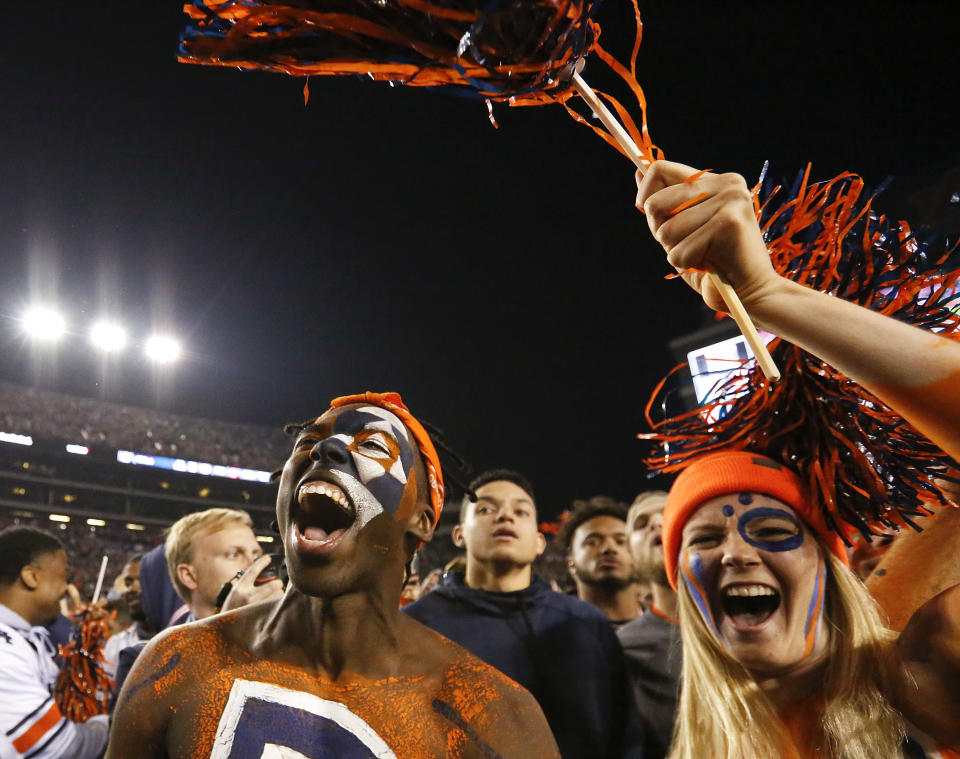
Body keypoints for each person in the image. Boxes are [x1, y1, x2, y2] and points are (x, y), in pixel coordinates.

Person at [108, 392, 558, 759]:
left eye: (374, 446)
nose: (328, 448)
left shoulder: (492, 716)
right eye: (308, 443)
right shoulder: (176, 665)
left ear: (423, 520)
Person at [404, 468, 644, 759]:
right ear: (459, 535)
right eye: (486, 509)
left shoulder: (586, 624)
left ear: (539, 542)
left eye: (521, 511)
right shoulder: (414, 626)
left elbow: (623, 739)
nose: (506, 516)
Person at [0, 527, 109, 758]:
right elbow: (61, 748)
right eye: (63, 576)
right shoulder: (4, 651)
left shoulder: (26, 637)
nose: (68, 589)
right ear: (31, 576)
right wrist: (107, 725)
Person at [617, 491, 681, 759]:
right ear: (630, 552)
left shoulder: (763, 623)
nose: (656, 523)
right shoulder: (618, 650)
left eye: (666, 515)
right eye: (641, 524)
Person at [164, 507, 282, 621]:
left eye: (256, 555)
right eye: (233, 554)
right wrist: (229, 625)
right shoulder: (172, 641)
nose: (253, 564)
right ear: (189, 576)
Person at [558, 497, 640, 627]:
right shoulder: (547, 635)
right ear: (571, 563)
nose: (609, 548)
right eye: (592, 542)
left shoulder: (674, 629)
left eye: (621, 541)